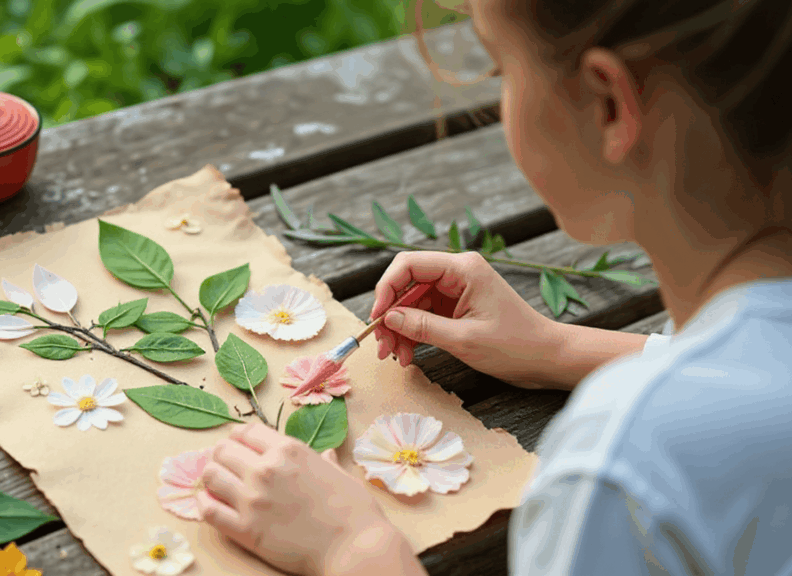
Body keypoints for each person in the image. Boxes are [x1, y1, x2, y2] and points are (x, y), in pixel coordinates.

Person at [193, 0, 792, 573]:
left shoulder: (622, 467)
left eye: (501, 68)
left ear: (608, 103)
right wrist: (558, 350)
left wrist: (354, 551)